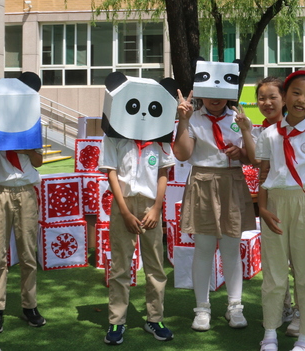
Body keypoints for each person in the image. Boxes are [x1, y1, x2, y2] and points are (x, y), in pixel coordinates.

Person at [255, 70, 305, 351]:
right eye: (296, 93)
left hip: (304, 203)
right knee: (274, 273)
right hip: (274, 206)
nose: (302, 100)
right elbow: (263, 173)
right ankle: (269, 333)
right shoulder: (267, 135)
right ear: (285, 95)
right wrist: (262, 209)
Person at [173, 85, 256, 332]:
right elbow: (183, 154)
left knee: (231, 248)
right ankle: (202, 308)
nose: (215, 97)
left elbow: (251, 158)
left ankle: (235, 306)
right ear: (200, 92)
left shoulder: (239, 118)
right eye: (209, 91)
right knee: (204, 249)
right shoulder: (194, 118)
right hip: (202, 182)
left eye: (221, 91)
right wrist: (183, 121)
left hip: (232, 181)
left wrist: (244, 137)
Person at [237, 77, 301, 337]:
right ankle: (282, 308)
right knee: (275, 259)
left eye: (272, 97)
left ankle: (300, 311)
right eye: (261, 98)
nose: (266, 102)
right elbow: (254, 160)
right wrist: (244, 131)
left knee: (299, 259)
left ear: (284, 99)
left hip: (296, 198)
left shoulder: (297, 128)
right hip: (270, 200)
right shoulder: (259, 130)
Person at [100, 131, 175, 344]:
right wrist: (124, 211)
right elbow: (111, 173)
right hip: (124, 203)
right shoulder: (113, 135)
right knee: (120, 265)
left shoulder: (160, 136)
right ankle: (116, 320)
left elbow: (163, 172)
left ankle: (155, 318)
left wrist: (157, 208)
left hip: (151, 204)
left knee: (155, 265)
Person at [0, 147, 45, 335]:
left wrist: (26, 149)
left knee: (27, 253)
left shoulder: (27, 127)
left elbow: (38, 161)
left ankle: (30, 305)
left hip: (26, 191)